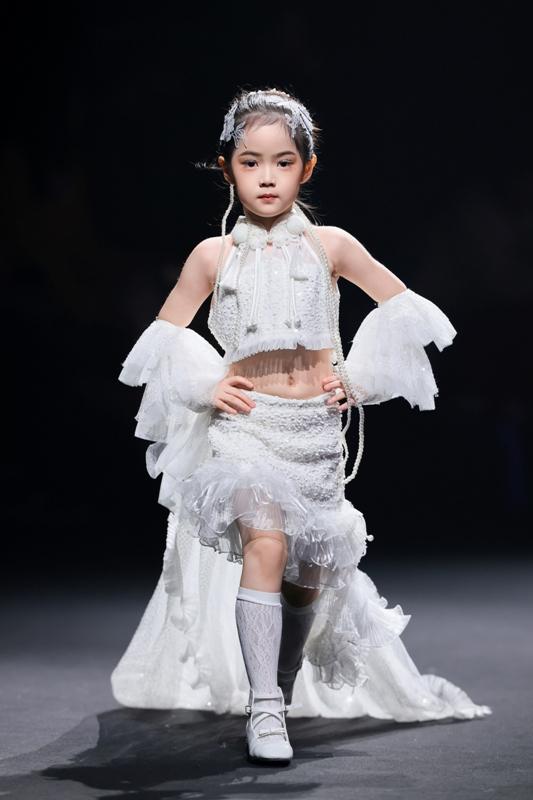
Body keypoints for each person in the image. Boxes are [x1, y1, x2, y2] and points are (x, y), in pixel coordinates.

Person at [110, 87, 492, 764]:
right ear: (227, 167)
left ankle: (280, 686)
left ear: (306, 167)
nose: (266, 176)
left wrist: (360, 378)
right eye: (250, 162)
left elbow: (401, 306)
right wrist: (205, 384)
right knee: (265, 544)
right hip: (247, 426)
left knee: (305, 578)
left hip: (313, 433)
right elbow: (164, 337)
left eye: (282, 162)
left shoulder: (329, 245)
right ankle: (264, 708)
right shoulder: (212, 255)